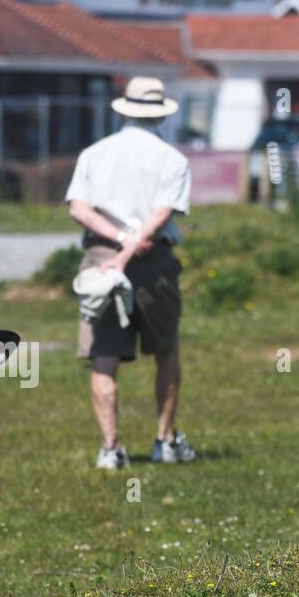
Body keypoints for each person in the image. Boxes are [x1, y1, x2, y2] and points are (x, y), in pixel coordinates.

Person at [65, 75, 197, 470]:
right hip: (153, 259)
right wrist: (134, 241)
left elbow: (79, 208)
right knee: (166, 349)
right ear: (159, 114)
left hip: (100, 258)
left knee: (104, 355)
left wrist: (119, 240)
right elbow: (161, 214)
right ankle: (165, 440)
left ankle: (111, 448)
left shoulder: (94, 153)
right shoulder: (172, 159)